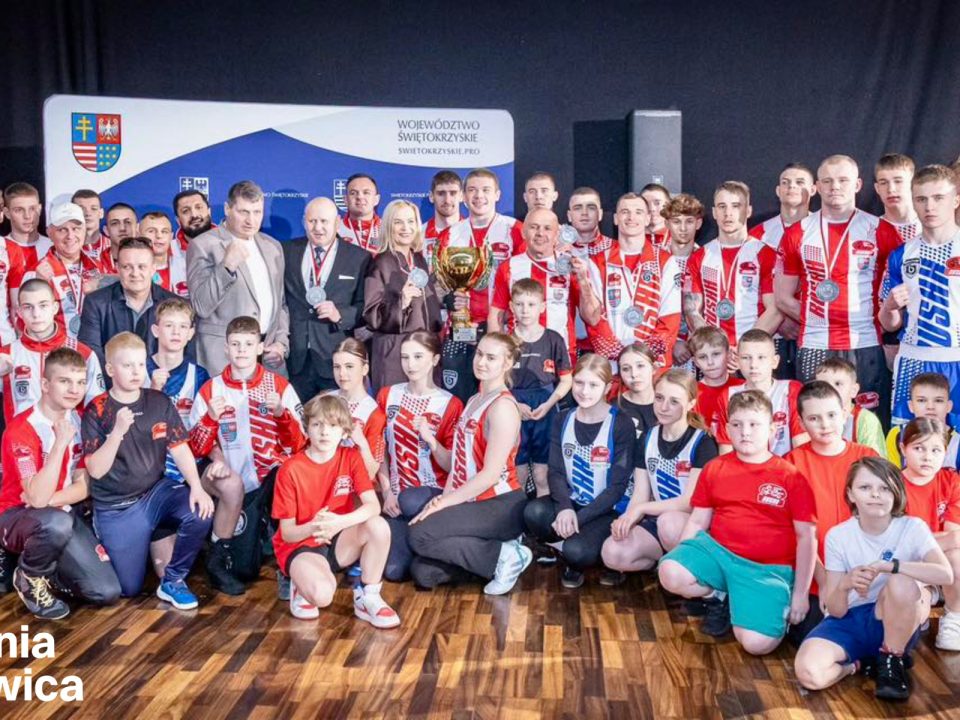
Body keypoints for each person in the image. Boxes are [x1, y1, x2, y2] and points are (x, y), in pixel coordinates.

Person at [658, 390, 817, 651]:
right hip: (720, 556)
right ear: (727, 429)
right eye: (737, 425)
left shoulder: (790, 477)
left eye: (754, 425)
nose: (745, 432)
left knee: (756, 645)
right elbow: (698, 521)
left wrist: (801, 595)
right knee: (670, 571)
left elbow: (807, 538)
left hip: (766, 570)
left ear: (772, 430)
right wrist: (683, 556)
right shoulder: (715, 467)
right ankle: (717, 596)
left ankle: (747, 601)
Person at [794, 457, 952, 701]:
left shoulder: (912, 527)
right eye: (865, 487)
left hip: (894, 619)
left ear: (897, 492)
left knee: (901, 581)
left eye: (885, 488)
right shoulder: (838, 536)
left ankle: (891, 660)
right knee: (809, 674)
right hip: (851, 618)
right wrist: (845, 584)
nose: (875, 494)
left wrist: (891, 566)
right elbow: (836, 610)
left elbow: (945, 574)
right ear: (851, 494)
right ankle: (858, 664)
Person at [82, 333, 214, 608]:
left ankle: (173, 580)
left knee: (200, 509)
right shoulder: (97, 409)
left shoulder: (158, 401)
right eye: (127, 365)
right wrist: (117, 432)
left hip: (155, 492)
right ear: (110, 369)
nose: (136, 372)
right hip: (117, 506)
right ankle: (104, 532)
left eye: (141, 365)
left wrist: (197, 487)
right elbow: (95, 470)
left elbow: (180, 448)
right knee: (127, 588)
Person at [775, 155, 895, 428]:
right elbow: (782, 297)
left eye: (843, 180)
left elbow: (895, 293)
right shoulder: (797, 233)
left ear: (858, 185)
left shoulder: (880, 230)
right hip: (815, 342)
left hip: (865, 342)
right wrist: (819, 319)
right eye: (827, 181)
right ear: (817, 187)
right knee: (815, 422)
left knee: (867, 424)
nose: (835, 187)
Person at [0, 348, 121, 619]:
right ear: (45, 384)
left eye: (80, 382)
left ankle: (50, 568)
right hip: (15, 515)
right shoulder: (22, 429)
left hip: (59, 513)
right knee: (55, 523)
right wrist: (59, 445)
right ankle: (29, 576)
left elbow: (84, 486)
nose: (74, 390)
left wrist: (51, 500)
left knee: (106, 592)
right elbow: (35, 499)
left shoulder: (79, 420)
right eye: (65, 381)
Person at [407, 333, 529, 594]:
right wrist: (432, 442)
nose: (481, 362)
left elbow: (490, 475)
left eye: (491, 358)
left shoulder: (503, 407)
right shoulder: (474, 400)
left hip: (500, 504)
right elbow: (457, 464)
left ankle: (506, 557)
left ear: (507, 363)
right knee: (423, 573)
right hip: (472, 500)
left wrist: (444, 503)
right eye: (479, 354)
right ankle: (493, 554)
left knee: (419, 535)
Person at [189, 316, 305, 584]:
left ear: (260, 347)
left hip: (269, 479)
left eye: (248, 344)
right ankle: (228, 549)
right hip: (232, 481)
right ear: (226, 348)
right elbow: (195, 447)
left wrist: (281, 414)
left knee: (289, 474)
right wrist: (210, 418)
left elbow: (298, 445)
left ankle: (289, 561)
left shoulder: (279, 386)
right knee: (243, 570)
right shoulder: (211, 389)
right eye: (235, 344)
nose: (242, 350)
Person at [145, 298, 245, 596]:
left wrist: (218, 458)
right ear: (156, 330)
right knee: (166, 573)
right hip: (151, 475)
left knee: (231, 483)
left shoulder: (199, 375)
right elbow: (130, 429)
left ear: (191, 333)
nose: (176, 332)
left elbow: (206, 428)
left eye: (182, 327)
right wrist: (152, 392)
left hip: (190, 466)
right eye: (169, 326)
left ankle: (218, 556)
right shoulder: (140, 368)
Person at [272, 394, 399, 627]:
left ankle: (369, 597)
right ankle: (300, 584)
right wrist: (318, 526)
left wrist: (339, 523)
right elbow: (287, 533)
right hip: (301, 544)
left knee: (378, 526)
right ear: (307, 429)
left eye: (332, 426)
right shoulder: (290, 469)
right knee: (322, 596)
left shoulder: (351, 457)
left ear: (344, 432)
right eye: (317, 424)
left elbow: (373, 505)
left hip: (338, 539)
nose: (324, 432)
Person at [524, 354, 635, 587]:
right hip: (574, 501)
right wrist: (565, 508)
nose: (584, 391)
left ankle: (580, 552)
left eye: (593, 385)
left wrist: (577, 518)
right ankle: (567, 545)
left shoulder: (621, 422)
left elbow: (617, 487)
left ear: (607, 387)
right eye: (579, 383)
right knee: (533, 512)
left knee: (577, 551)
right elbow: (556, 471)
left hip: (607, 509)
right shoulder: (563, 418)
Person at [784, 381, 879, 641]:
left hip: (864, 573)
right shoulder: (792, 464)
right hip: (815, 577)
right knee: (813, 636)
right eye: (814, 418)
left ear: (845, 413)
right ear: (801, 423)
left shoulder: (868, 458)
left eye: (831, 415)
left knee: (873, 633)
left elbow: (883, 522)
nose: (825, 424)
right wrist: (825, 581)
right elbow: (797, 534)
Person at [602, 369, 717, 583]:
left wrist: (642, 509)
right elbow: (640, 494)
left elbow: (689, 503)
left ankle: (696, 575)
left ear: (691, 404)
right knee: (612, 553)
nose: (664, 407)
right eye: (659, 398)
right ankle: (663, 564)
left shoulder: (703, 442)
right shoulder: (647, 438)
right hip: (659, 521)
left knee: (669, 522)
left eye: (674, 401)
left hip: (693, 524)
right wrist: (628, 518)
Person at [376, 332, 462, 582]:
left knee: (411, 500)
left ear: (434, 360)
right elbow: (379, 448)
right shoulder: (387, 395)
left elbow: (451, 464)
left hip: (430, 495)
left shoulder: (450, 403)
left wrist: (430, 439)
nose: (410, 364)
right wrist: (387, 491)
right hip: (398, 499)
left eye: (418, 357)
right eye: (405, 357)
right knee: (394, 572)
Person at [880, 164, 960, 429]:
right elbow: (889, 324)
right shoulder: (901, 255)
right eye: (922, 199)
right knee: (910, 441)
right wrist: (890, 306)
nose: (930, 207)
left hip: (957, 358)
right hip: (914, 360)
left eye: (938, 198)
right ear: (913, 201)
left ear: (955, 200)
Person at [435, 168, 525, 402]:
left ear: (497, 194)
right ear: (464, 196)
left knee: (498, 398)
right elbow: (438, 284)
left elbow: (526, 281)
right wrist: (449, 299)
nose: (479, 196)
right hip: (460, 329)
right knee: (458, 400)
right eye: (472, 190)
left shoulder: (515, 230)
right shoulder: (450, 234)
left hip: (502, 327)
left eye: (486, 190)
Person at [186, 180, 288, 375]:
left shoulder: (273, 247)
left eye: (257, 212)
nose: (251, 220)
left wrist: (281, 343)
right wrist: (226, 267)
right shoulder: (203, 245)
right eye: (243, 212)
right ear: (227, 209)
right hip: (222, 359)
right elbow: (201, 305)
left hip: (267, 358)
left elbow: (281, 304)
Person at [282, 196, 371, 401]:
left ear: (337, 222)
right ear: (304, 222)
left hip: (335, 358)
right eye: (312, 221)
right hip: (297, 358)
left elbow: (365, 307)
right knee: (297, 417)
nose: (318, 227)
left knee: (335, 417)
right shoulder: (286, 251)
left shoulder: (358, 258)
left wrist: (340, 314)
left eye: (324, 221)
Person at [579, 192, 682, 367]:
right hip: (611, 365)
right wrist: (618, 354)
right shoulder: (597, 262)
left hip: (653, 366)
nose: (631, 217)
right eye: (625, 212)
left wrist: (641, 358)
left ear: (648, 218)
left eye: (638, 212)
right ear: (616, 219)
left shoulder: (665, 261)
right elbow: (595, 320)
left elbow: (670, 318)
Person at [684, 182, 780, 354]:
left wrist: (745, 349)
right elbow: (692, 311)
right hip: (713, 355)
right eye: (722, 206)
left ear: (748, 211)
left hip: (752, 354)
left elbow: (775, 310)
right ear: (714, 212)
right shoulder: (699, 256)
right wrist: (716, 349)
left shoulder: (766, 254)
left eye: (736, 206)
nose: (728, 213)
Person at [364, 199, 444, 390]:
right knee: (395, 404)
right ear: (388, 226)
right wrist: (402, 301)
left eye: (411, 221)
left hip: (424, 348)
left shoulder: (418, 259)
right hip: (394, 352)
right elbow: (371, 314)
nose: (406, 228)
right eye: (398, 222)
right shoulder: (380, 262)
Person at [78, 237, 190, 373]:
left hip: (163, 381)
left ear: (153, 268)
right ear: (118, 268)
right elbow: (91, 355)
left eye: (142, 267)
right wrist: (121, 379)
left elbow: (185, 357)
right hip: (112, 381)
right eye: (127, 267)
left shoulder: (177, 305)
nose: (135, 274)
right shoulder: (96, 303)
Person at [0, 278, 104, 421]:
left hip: (71, 434)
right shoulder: (6, 355)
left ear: (55, 308)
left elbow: (98, 407)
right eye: (28, 307)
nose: (36, 314)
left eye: (43, 305)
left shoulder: (83, 353)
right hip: (20, 435)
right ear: (19, 311)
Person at [505, 278, 572, 497]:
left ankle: (542, 514)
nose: (525, 310)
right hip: (514, 405)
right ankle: (519, 515)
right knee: (519, 471)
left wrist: (549, 403)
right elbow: (495, 382)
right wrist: (515, 405)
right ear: (511, 306)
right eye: (519, 304)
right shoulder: (506, 342)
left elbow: (566, 380)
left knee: (542, 473)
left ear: (542, 306)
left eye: (531, 304)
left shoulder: (554, 339)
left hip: (546, 404)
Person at [898, 418, 960, 651]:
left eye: (936, 450)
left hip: (941, 563)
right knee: (910, 627)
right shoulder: (892, 484)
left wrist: (916, 539)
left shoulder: (951, 482)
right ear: (903, 449)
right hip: (906, 566)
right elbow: (896, 542)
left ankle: (953, 619)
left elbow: (954, 538)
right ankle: (926, 598)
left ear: (945, 452)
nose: (927, 457)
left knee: (957, 556)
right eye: (919, 448)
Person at [751, 163, 817, 380]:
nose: (792, 187)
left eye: (800, 182)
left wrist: (800, 318)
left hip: (813, 333)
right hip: (772, 334)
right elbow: (749, 286)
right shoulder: (758, 234)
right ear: (778, 191)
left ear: (813, 189)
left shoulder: (823, 229)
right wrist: (780, 320)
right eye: (786, 183)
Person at [489, 208, 580, 363]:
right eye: (534, 227)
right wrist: (495, 356)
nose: (540, 233)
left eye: (547, 228)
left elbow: (589, 315)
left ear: (557, 234)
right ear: (523, 232)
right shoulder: (508, 266)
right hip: (518, 354)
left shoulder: (569, 266)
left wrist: (583, 281)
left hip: (560, 354)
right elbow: (496, 315)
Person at [714, 329, 807, 456]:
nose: (753, 365)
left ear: (774, 361)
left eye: (761, 357)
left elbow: (801, 445)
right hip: (743, 466)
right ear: (737, 361)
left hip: (784, 466)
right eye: (746, 358)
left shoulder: (791, 389)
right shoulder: (728, 395)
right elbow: (726, 449)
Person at [33, 203, 103, 335]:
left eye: (76, 229)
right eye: (62, 230)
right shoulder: (37, 272)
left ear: (84, 230)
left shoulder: (99, 267)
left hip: (94, 344)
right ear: (50, 233)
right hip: (58, 346)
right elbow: (25, 321)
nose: (70, 236)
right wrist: (39, 286)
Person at [327, 338, 386, 480]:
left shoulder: (373, 413)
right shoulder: (325, 400)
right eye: (337, 367)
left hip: (354, 484)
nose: (342, 373)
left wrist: (361, 443)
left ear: (365, 369)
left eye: (349, 366)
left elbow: (371, 472)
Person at [661, 193, 704, 368]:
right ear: (666, 224)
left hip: (701, 349)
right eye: (677, 221)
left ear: (698, 223)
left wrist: (696, 342)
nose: (683, 228)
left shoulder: (708, 259)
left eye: (689, 221)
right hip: (663, 348)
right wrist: (672, 342)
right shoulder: (654, 261)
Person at [885, 373, 959, 468]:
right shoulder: (898, 434)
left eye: (938, 400)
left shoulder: (957, 441)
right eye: (921, 400)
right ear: (911, 406)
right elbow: (891, 474)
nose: (930, 407)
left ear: (949, 406)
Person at [815, 357, 886, 457]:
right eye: (823, 385)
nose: (830, 390)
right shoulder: (811, 417)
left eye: (838, 384)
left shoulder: (865, 420)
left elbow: (875, 462)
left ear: (854, 390)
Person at [687, 326, 744, 435]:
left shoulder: (743, 388)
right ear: (695, 362)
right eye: (703, 357)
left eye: (716, 354)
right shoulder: (691, 393)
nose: (710, 362)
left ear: (728, 354)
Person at [3, 182, 51, 273]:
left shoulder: (53, 247)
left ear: (39, 209)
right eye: (19, 210)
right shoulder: (2, 248)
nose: (27, 216)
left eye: (32, 209)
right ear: (7, 213)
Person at [141, 211, 188, 298]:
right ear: (138, 235)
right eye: (151, 231)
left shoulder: (187, 262)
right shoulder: (129, 267)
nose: (159, 236)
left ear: (171, 236)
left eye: (164, 231)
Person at [615, 343, 658, 435]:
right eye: (626, 369)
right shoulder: (614, 408)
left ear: (654, 368)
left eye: (640, 366)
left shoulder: (667, 405)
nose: (634, 374)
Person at [422, 171, 463, 266]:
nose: (447, 200)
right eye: (441, 193)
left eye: (453, 193)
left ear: (461, 196)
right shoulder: (418, 235)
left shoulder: (473, 234)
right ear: (431, 197)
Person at [71, 189, 114, 274]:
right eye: (81, 209)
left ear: (101, 213)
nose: (87, 213)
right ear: (72, 213)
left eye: (93, 209)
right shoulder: (62, 249)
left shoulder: (114, 248)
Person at [340, 174, 383, 253]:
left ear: (376, 199)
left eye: (366, 192)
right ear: (345, 200)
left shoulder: (388, 229)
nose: (359, 197)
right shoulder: (335, 230)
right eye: (353, 193)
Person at [566, 186, 613, 257]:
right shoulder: (557, 252)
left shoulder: (618, 250)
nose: (584, 213)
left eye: (591, 208)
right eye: (578, 208)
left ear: (600, 214)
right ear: (569, 216)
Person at [640, 183, 671, 248]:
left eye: (657, 203)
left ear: (668, 206)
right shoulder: (629, 238)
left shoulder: (680, 239)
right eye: (646, 203)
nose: (652, 209)